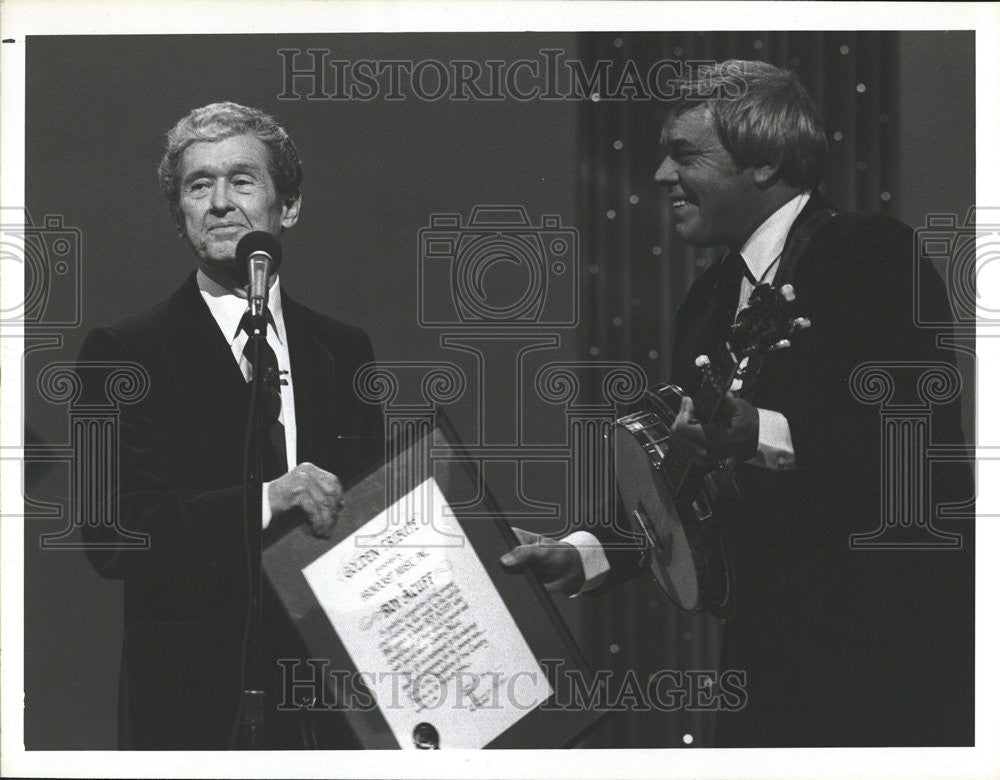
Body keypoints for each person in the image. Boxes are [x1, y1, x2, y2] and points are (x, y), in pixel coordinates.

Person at [502, 60, 973, 747]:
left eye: (684, 154)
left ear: (767, 161)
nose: (662, 176)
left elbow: (916, 459)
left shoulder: (871, 253)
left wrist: (758, 432)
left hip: (887, 666)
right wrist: (585, 552)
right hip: (767, 665)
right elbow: (689, 492)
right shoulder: (706, 303)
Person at [78, 102, 384, 749]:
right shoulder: (125, 352)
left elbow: (368, 524)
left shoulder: (345, 348)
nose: (219, 202)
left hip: (327, 712)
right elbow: (114, 534)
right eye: (198, 185)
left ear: (288, 205)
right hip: (191, 711)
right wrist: (267, 500)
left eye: (242, 180)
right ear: (179, 214)